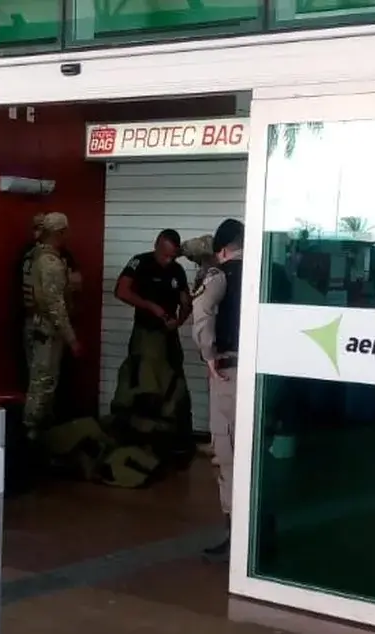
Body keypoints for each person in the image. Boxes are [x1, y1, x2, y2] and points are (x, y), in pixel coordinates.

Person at [112, 229, 194, 463]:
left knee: (175, 384)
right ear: (157, 246)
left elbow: (185, 301)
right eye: (165, 255)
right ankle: (141, 441)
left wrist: (179, 320)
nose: (168, 260)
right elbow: (121, 291)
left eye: (173, 256)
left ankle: (177, 441)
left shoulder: (177, 270)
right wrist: (150, 306)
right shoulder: (141, 262)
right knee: (144, 386)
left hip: (168, 336)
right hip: (145, 334)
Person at [191, 218, 244, 561]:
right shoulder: (274, 273)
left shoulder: (219, 275)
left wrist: (208, 356)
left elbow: (202, 314)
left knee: (226, 450)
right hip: (263, 375)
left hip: (230, 371)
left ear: (222, 250)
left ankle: (235, 538)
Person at [24, 212, 81, 439]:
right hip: (46, 330)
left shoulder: (32, 256)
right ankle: (33, 435)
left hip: (33, 325)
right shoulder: (51, 263)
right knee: (43, 383)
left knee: (38, 379)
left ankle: (37, 433)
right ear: (60, 232)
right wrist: (72, 339)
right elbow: (55, 305)